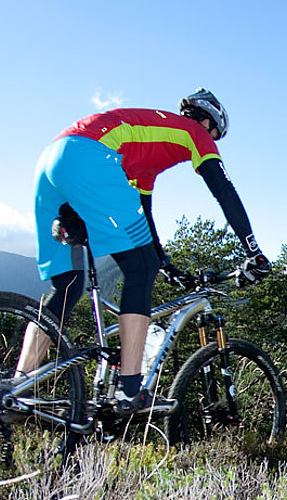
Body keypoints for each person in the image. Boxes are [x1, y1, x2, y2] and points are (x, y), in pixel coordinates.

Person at [15, 88, 271, 415]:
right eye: (215, 136)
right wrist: (253, 249)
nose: (211, 143)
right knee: (140, 269)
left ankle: (17, 387)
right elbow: (223, 190)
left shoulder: (146, 154)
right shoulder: (192, 131)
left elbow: (143, 216)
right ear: (206, 121)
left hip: (53, 158)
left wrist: (164, 264)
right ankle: (129, 389)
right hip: (92, 158)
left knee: (67, 287)